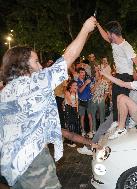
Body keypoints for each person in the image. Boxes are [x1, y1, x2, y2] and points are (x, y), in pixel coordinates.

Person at [0, 16, 96, 188]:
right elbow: (69, 56)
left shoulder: (6, 92)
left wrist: (89, 142)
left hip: (9, 166)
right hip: (33, 161)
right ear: (23, 66)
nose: (41, 66)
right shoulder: (35, 83)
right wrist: (85, 29)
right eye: (36, 61)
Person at [94, 19, 137, 129]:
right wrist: (97, 24)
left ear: (112, 34)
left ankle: (122, 124)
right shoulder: (114, 43)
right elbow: (104, 37)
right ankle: (116, 121)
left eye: (108, 33)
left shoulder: (126, 46)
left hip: (126, 76)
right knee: (115, 98)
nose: (107, 35)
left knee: (121, 99)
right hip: (119, 75)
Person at [77, 67, 95, 138]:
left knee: (90, 116)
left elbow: (91, 89)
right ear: (78, 74)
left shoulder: (87, 80)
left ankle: (90, 131)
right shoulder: (77, 82)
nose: (83, 74)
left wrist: (92, 84)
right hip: (81, 101)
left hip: (89, 100)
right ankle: (83, 131)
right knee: (82, 116)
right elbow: (80, 91)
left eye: (84, 72)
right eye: (81, 72)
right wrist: (85, 83)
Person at [64, 80, 80, 147]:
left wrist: (77, 110)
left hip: (74, 110)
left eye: (76, 85)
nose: (76, 86)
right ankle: (70, 141)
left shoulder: (76, 93)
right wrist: (75, 105)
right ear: (70, 86)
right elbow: (70, 102)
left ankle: (73, 139)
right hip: (69, 110)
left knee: (74, 124)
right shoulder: (67, 92)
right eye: (74, 85)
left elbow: (77, 103)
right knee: (70, 125)